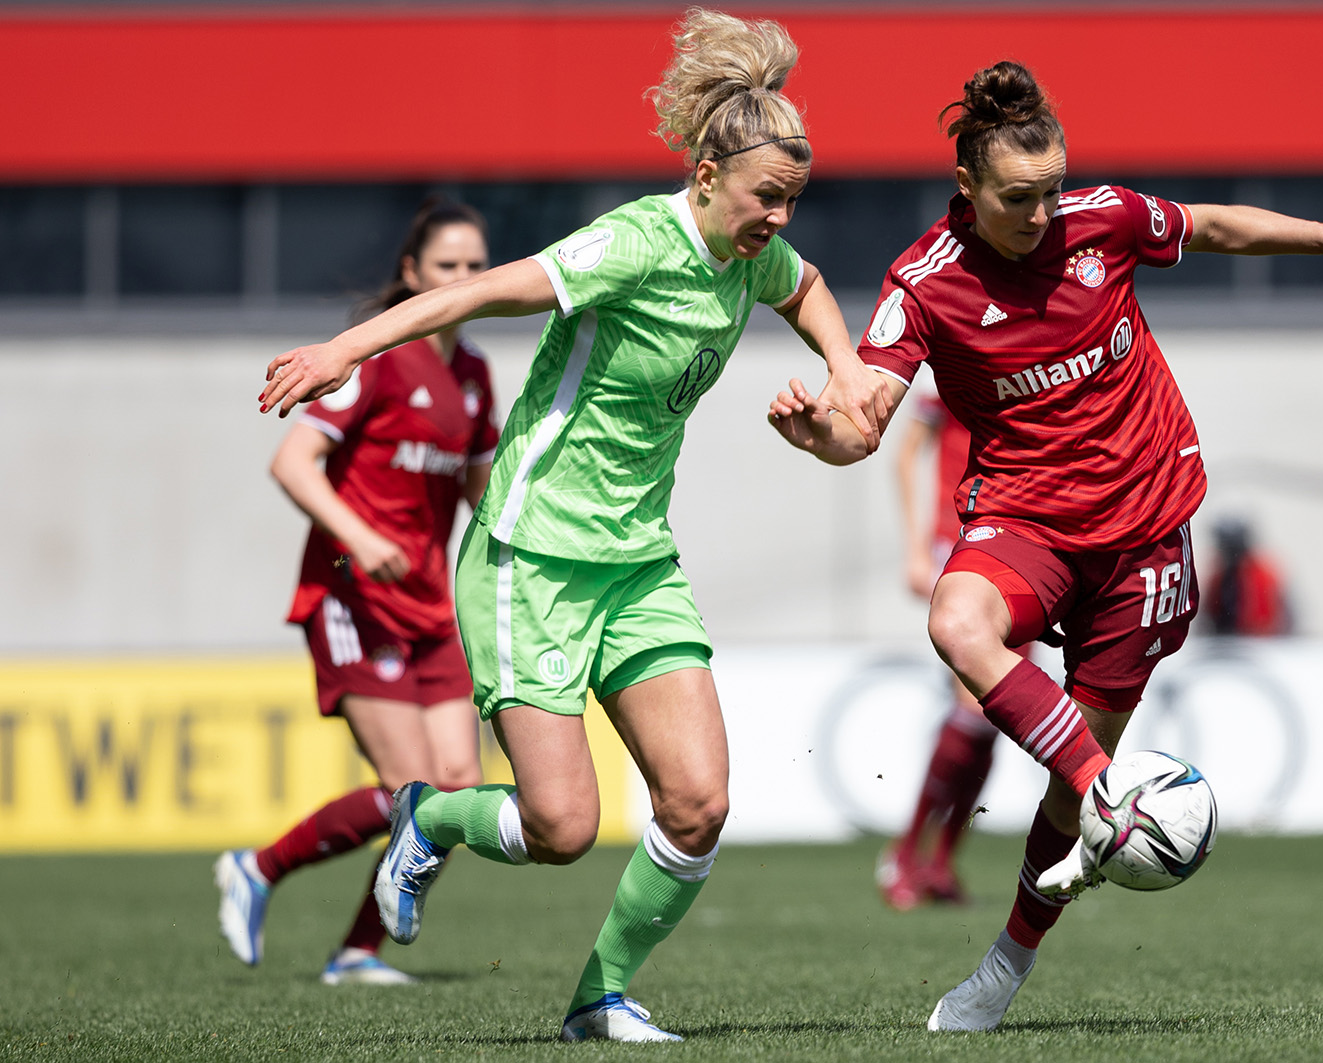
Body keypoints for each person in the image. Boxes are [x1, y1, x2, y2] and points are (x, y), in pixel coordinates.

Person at [256, 7, 884, 1043]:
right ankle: (428, 817)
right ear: (705, 180)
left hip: (638, 563)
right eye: (766, 198)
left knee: (698, 803)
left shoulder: (749, 253)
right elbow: (483, 296)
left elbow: (805, 286)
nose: (778, 219)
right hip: (530, 558)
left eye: (790, 201)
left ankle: (601, 997)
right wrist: (344, 350)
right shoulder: (634, 242)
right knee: (563, 828)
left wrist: (847, 365)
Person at [768, 60, 1323, 1032]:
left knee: (1066, 814)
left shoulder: (1102, 220)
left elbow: (1215, 226)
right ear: (967, 193)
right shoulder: (924, 285)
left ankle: (1003, 968)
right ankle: (1110, 792)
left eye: (1053, 186)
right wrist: (821, 436)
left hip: (1146, 532)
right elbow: (867, 425)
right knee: (958, 621)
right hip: (1026, 520)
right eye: (1018, 197)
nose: (1041, 212)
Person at [215, 198, 497, 985]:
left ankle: (356, 951)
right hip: (351, 597)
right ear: (413, 273)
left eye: (477, 266)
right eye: (449, 266)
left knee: (456, 792)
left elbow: (482, 492)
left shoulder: (473, 374)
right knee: (405, 789)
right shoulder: (373, 358)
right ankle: (258, 867)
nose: (466, 279)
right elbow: (292, 464)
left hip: (431, 607)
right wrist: (363, 538)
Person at [878, 393, 1001, 909]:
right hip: (961, 541)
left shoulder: (1037, 354)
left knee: (1000, 714)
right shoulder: (958, 352)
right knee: (975, 705)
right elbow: (907, 452)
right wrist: (914, 547)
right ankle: (905, 855)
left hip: (1022, 545)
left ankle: (941, 863)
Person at [1204, 515, 1294, 635]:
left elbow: (1280, 618)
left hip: (1259, 642)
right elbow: (1208, 615)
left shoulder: (1263, 576)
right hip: (1225, 642)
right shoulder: (1217, 577)